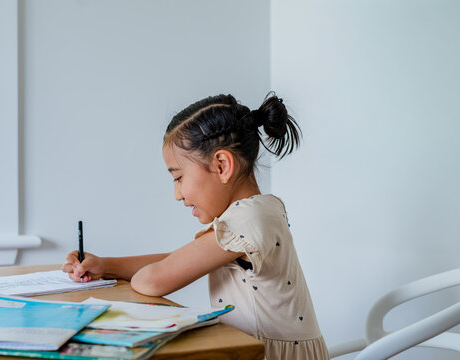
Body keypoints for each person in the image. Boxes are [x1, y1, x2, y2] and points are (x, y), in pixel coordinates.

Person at [62, 93, 329, 359]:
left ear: (222, 165)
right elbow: (179, 260)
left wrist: (141, 272)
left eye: (178, 177)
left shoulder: (248, 218)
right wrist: (106, 266)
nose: (177, 194)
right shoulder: (257, 212)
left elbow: (153, 280)